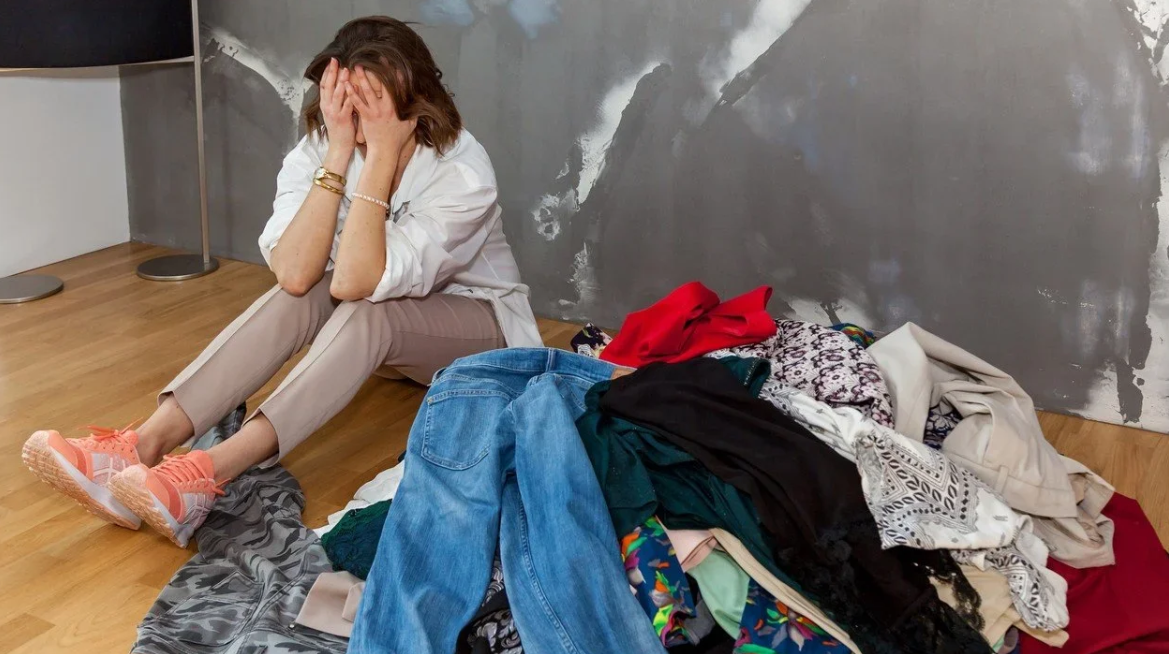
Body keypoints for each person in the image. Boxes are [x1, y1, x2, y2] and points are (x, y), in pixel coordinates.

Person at [21, 16, 541, 547]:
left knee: (364, 303)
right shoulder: (326, 145)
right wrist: (339, 156)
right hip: (378, 340)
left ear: (416, 103)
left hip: (477, 329)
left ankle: (211, 471)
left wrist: (382, 156)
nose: (358, 119)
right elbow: (294, 275)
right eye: (347, 102)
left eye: (375, 104)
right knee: (308, 287)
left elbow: (361, 281)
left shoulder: (461, 170)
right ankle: (143, 443)